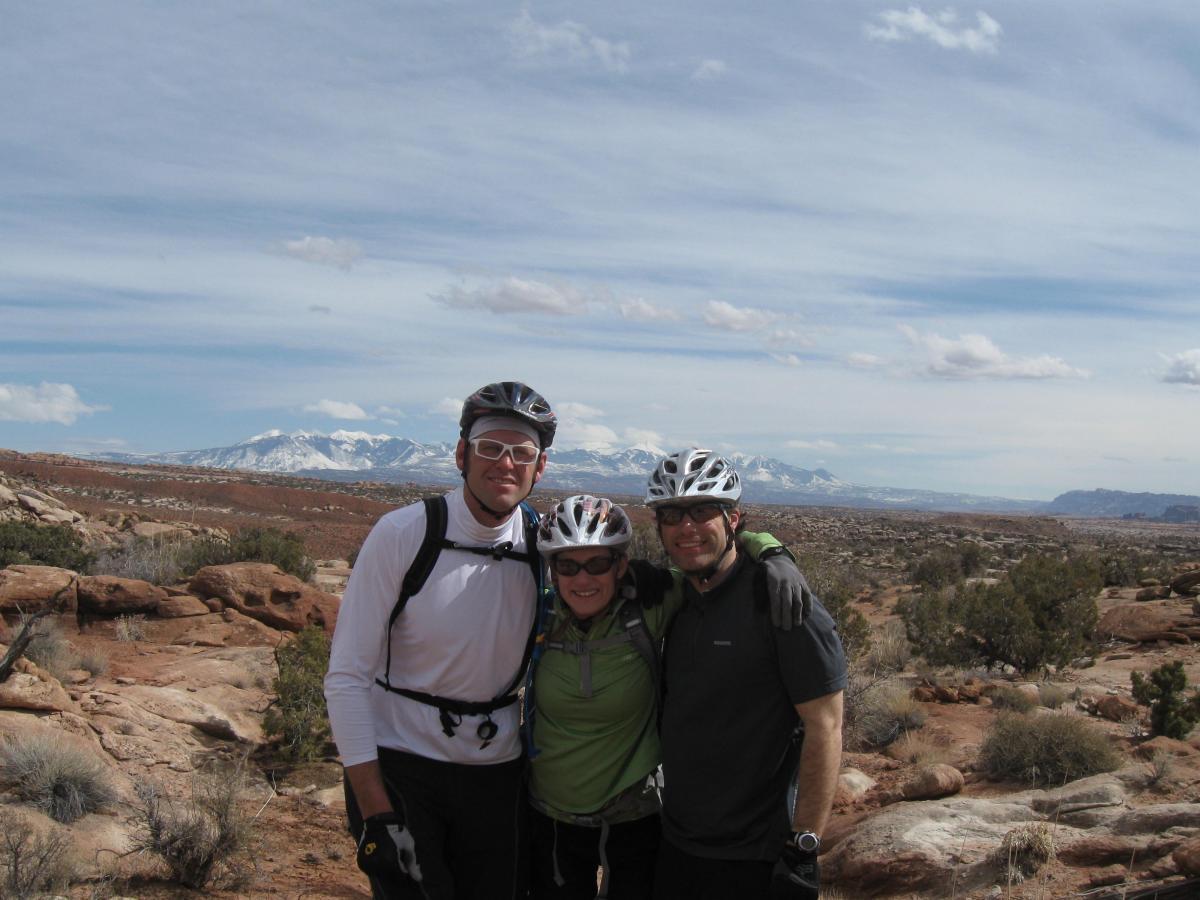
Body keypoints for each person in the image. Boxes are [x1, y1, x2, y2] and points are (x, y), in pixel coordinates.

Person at [324, 381, 557, 900]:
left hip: (497, 772)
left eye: (522, 452)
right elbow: (347, 677)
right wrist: (374, 809)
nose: (505, 463)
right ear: (461, 454)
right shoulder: (405, 533)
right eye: (490, 447)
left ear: (539, 468)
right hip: (402, 766)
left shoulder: (545, 546)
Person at [525, 494, 813, 900]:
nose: (583, 579)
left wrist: (774, 551)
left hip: (634, 814)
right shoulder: (538, 618)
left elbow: (710, 553)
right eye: (568, 565)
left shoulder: (651, 606)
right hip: (552, 815)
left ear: (621, 565)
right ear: (552, 570)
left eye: (598, 564)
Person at [646, 449, 848, 900]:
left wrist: (804, 848)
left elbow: (826, 726)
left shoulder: (782, 602)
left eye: (702, 511)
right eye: (672, 515)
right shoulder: (675, 599)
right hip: (677, 842)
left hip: (755, 855)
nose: (687, 527)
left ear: (734, 519)